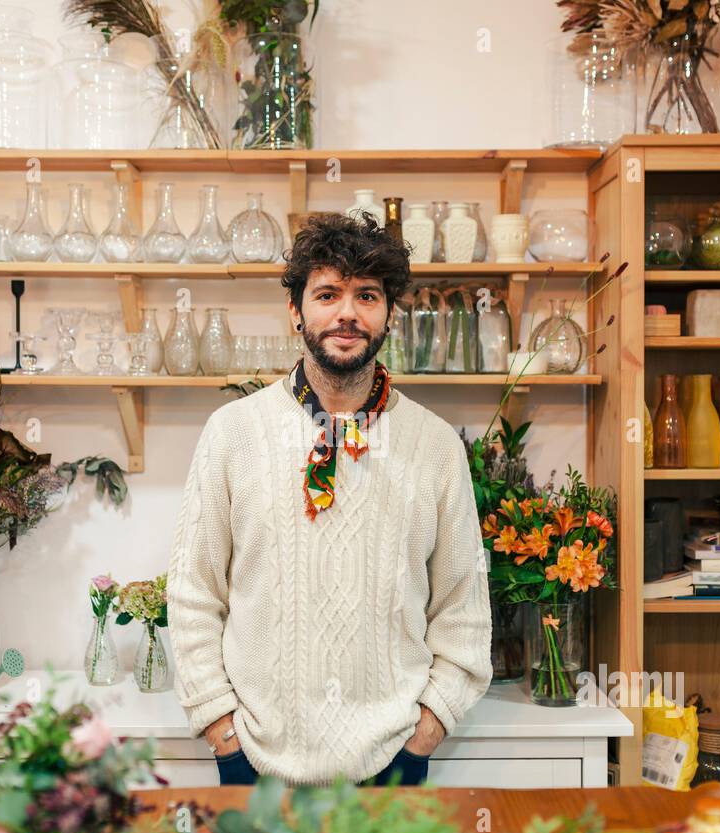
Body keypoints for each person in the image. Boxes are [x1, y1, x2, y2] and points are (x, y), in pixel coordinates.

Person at [166, 212, 492, 787]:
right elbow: (194, 593)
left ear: (389, 313)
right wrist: (222, 733)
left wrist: (425, 734)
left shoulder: (437, 446)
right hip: (256, 766)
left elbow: (463, 608)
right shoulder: (233, 433)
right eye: (327, 293)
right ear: (296, 311)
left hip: (393, 765)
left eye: (367, 295)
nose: (347, 312)